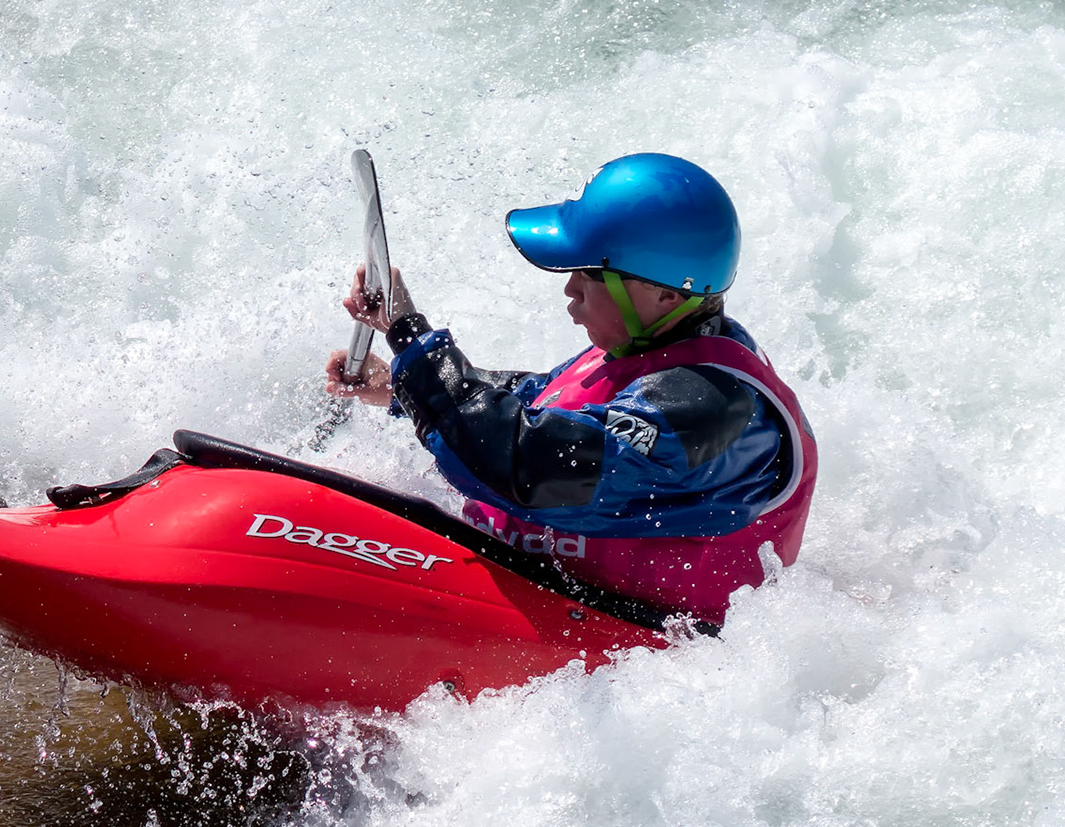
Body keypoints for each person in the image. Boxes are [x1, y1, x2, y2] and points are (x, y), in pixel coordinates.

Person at [325, 153, 816, 627]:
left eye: (590, 273)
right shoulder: (648, 350)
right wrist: (400, 386)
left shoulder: (708, 408)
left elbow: (529, 465)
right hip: (555, 593)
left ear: (666, 293)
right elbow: (541, 400)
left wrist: (411, 334)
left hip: (640, 651)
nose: (570, 289)